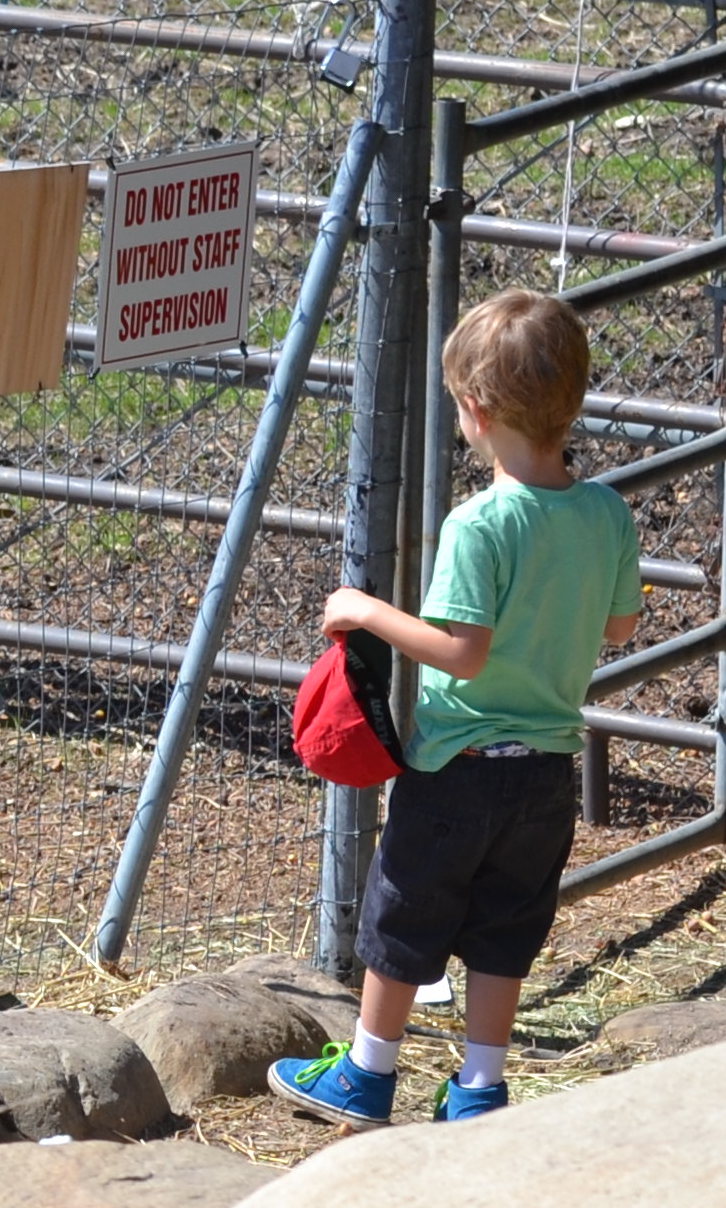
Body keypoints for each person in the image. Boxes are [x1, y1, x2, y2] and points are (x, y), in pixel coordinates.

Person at [275, 291, 643, 1127]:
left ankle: (367, 1074)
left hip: (459, 766)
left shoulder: (481, 524)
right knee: (505, 929)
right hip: (547, 772)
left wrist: (366, 612)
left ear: (474, 411)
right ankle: (480, 1088)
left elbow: (461, 653)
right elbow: (621, 624)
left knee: (405, 912)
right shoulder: (605, 512)